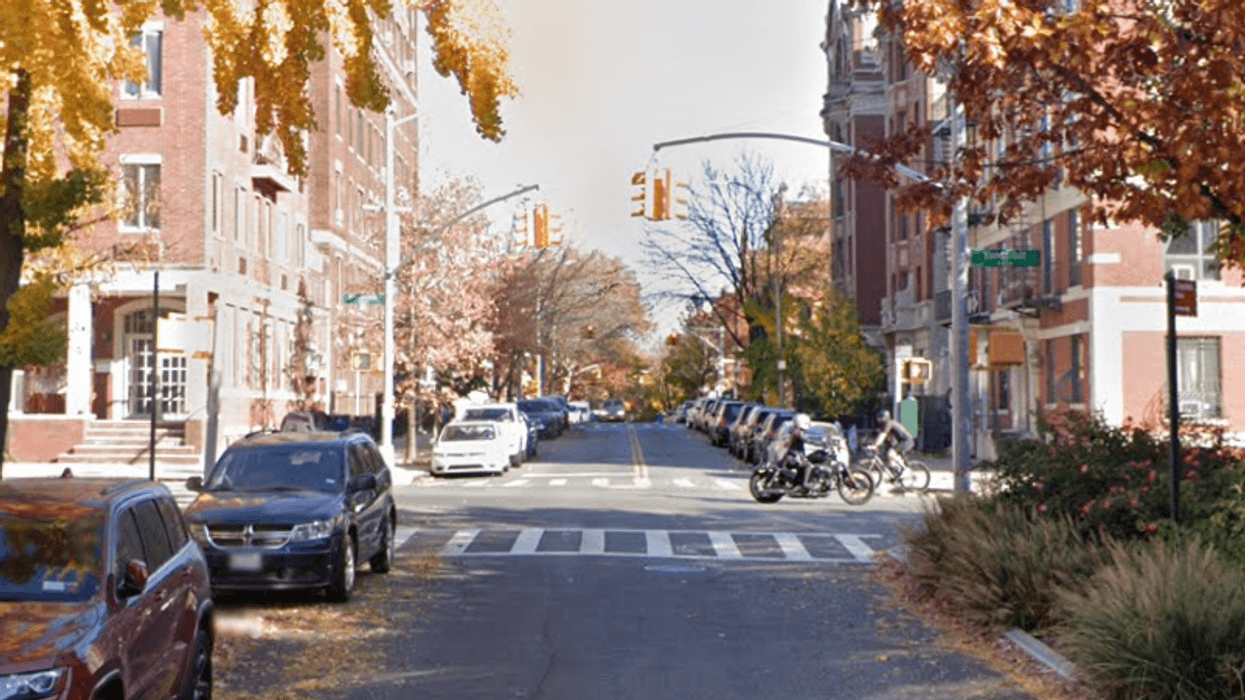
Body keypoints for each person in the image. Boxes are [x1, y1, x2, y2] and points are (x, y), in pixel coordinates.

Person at [873, 408, 915, 475]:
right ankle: (896, 476)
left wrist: (875, 445)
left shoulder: (889, 423)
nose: (879, 419)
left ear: (885, 417)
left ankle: (905, 471)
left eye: (881, 417)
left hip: (907, 441)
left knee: (891, 453)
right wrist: (873, 443)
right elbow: (881, 437)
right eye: (878, 418)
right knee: (890, 460)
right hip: (901, 442)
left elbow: (882, 435)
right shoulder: (884, 425)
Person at [782, 413, 814, 490]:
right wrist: (814, 442)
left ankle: (798, 483)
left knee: (805, 463)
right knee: (808, 465)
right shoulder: (797, 432)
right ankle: (804, 484)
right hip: (792, 457)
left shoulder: (795, 430)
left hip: (791, 456)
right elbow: (802, 439)